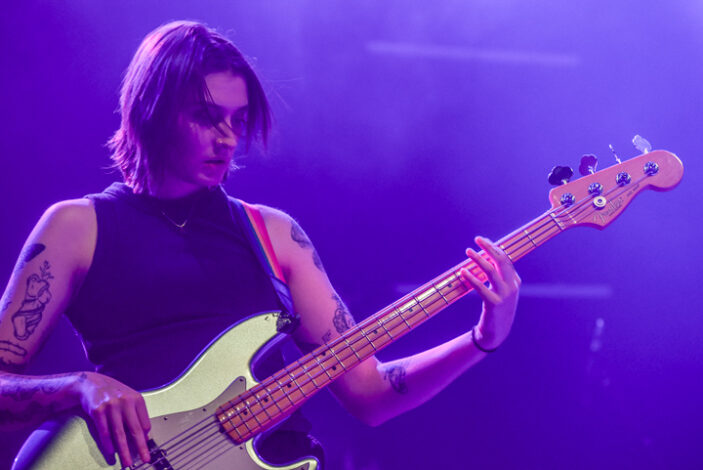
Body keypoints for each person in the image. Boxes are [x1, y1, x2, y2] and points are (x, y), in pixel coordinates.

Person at [0, 21, 520, 469]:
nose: (228, 138)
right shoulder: (77, 227)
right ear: (152, 110)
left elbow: (369, 392)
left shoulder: (274, 235)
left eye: (238, 120)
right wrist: (80, 387)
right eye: (207, 116)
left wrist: (481, 339)